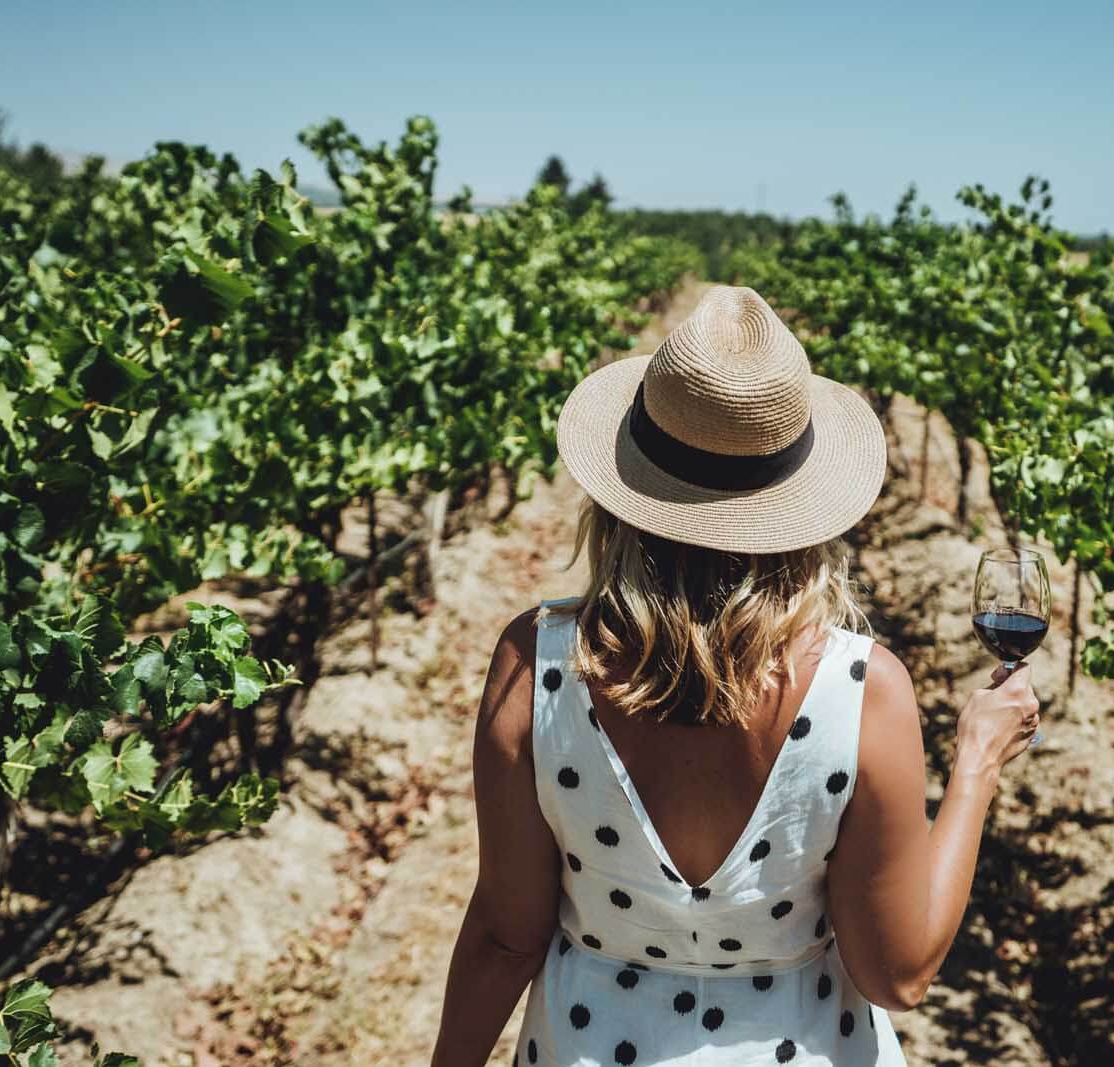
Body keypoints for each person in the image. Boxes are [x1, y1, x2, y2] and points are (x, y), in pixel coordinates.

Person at [430, 286, 1039, 1066]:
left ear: (624, 491)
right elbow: (899, 972)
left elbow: (503, 936)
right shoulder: (862, 691)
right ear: (800, 507)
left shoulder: (537, 664)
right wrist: (978, 764)